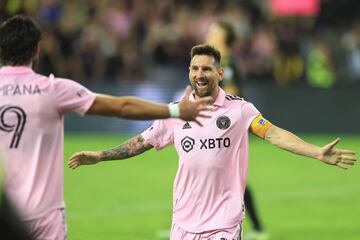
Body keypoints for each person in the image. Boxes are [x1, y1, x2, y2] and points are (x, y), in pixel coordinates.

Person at [68, 44, 357, 240]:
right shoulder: (175, 112)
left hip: (224, 222)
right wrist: (100, 155)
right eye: (194, 69)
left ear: (220, 73)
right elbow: (141, 142)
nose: (199, 74)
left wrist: (316, 152)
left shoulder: (240, 110)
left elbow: (274, 134)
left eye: (206, 69)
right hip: (183, 221)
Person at [0, 15, 212, 240]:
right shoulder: (53, 89)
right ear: (37, 49)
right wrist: (176, 111)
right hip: (45, 215)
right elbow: (122, 106)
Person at [206, 21, 267, 240]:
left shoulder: (227, 63)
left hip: (224, 128)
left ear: (224, 38)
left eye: (214, 32)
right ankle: (256, 227)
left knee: (228, 177)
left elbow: (230, 93)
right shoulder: (219, 62)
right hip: (219, 126)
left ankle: (254, 227)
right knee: (222, 176)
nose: (210, 34)